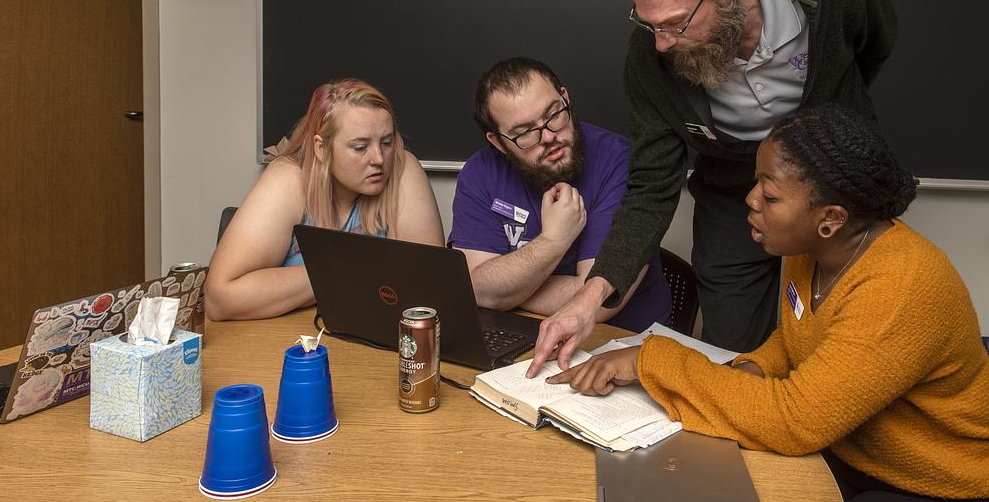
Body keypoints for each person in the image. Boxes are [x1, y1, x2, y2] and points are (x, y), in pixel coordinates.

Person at [550, 105, 989, 502]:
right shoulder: (814, 250)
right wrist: (751, 371)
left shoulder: (902, 286)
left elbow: (794, 421)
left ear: (830, 218)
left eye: (770, 193)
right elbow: (794, 343)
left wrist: (652, 361)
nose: (751, 200)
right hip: (859, 463)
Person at [527, 0, 896, 375]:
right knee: (733, 352)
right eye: (648, 22)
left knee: (848, 342)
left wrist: (836, 111)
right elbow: (651, 192)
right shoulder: (650, 59)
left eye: (676, 23)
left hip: (837, 182)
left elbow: (874, 45)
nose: (660, 42)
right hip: (731, 191)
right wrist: (588, 299)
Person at [448, 57, 670, 331]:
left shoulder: (620, 161)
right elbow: (476, 290)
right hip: (520, 333)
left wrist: (508, 291)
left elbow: (597, 303)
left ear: (565, 97)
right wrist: (554, 240)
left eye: (554, 115)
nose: (550, 137)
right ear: (498, 142)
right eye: (526, 132)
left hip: (621, 339)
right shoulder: (479, 173)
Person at [206, 78, 444, 320]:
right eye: (360, 147)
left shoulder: (403, 167)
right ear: (321, 148)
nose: (379, 159)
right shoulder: (287, 179)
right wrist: (344, 271)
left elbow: (431, 283)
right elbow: (220, 298)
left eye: (387, 143)